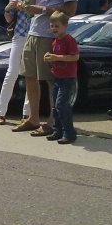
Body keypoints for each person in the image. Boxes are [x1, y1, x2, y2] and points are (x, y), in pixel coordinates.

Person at [11, 0, 78, 136]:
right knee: (30, 77)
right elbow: (31, 4)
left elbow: (71, 10)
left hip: (50, 35)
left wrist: (44, 10)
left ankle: (51, 122)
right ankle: (33, 118)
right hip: (33, 32)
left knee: (49, 80)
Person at [0, 0, 34, 125]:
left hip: (33, 36)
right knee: (11, 72)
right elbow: (9, 19)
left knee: (30, 75)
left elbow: (34, 12)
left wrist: (25, 5)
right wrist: (8, 8)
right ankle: (1, 112)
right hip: (19, 35)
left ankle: (27, 113)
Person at [43, 11, 80, 144]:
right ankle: (57, 130)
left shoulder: (69, 40)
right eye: (52, 26)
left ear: (65, 26)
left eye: (57, 26)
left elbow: (75, 57)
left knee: (62, 105)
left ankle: (69, 133)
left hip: (67, 79)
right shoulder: (55, 42)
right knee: (55, 106)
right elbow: (58, 59)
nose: (54, 29)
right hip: (58, 77)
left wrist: (56, 57)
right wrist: (50, 58)